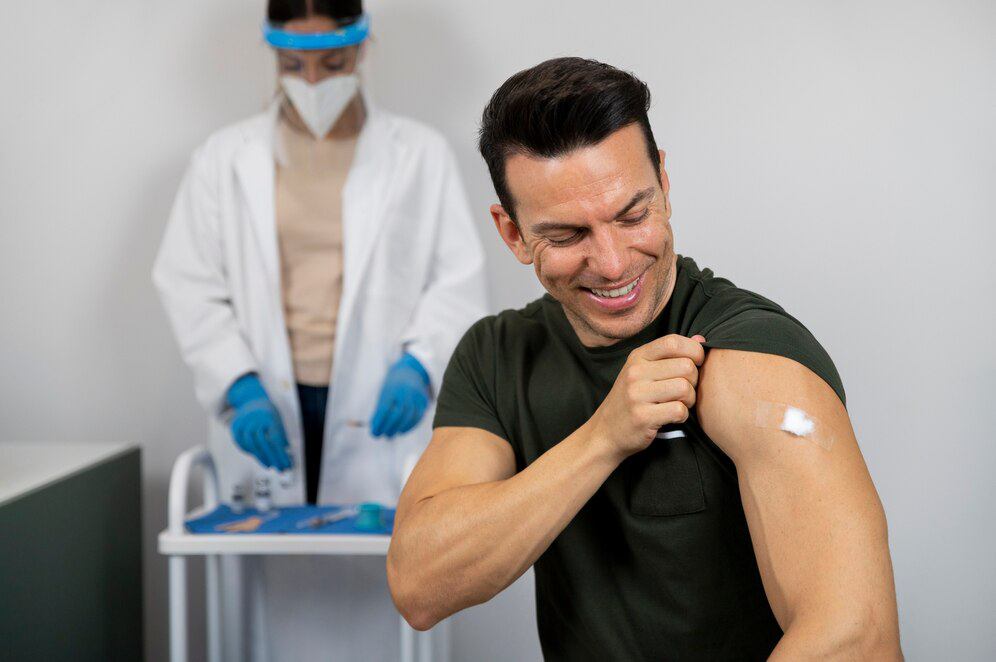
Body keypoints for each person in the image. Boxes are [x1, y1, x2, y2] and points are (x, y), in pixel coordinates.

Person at [387, 57, 903, 660]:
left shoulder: (751, 353)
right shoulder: (498, 355)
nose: (611, 262)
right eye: (567, 236)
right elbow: (419, 584)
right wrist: (601, 439)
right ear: (512, 234)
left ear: (663, 181)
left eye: (633, 215)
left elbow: (856, 639)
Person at [154, 1, 486, 659]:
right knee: (269, 609)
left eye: (331, 63)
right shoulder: (224, 160)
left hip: (381, 411)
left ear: (362, 50)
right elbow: (188, 280)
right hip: (266, 411)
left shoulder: (419, 154)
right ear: (272, 57)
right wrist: (238, 385)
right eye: (293, 64)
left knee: (387, 599)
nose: (312, 82)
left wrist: (420, 364)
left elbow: (458, 279)